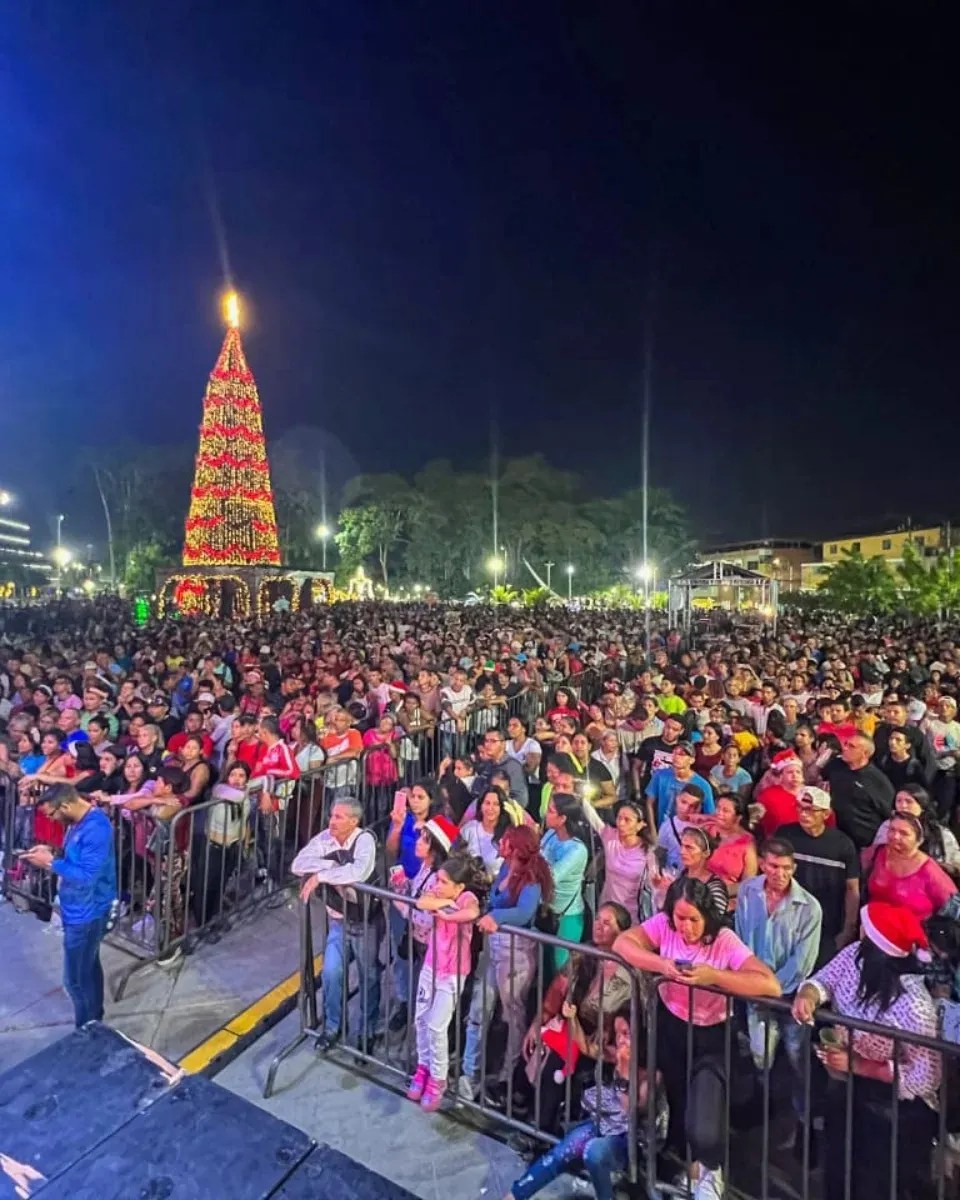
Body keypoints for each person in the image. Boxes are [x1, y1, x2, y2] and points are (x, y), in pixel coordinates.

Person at [615, 877, 781, 1200]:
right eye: (680, 918)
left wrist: (715, 977)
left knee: (704, 1121)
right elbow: (624, 943)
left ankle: (712, 1168)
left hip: (712, 1035)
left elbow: (769, 984)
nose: (687, 927)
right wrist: (662, 964)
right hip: (671, 1027)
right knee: (676, 1103)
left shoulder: (723, 940)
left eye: (694, 920)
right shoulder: (665, 926)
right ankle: (686, 1171)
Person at [791, 903, 941, 1200]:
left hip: (893, 1109)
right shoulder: (853, 955)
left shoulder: (915, 1007)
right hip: (850, 1091)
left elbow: (927, 1077)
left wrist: (862, 1065)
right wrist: (808, 995)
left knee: (874, 1184)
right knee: (837, 1169)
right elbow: (824, 980)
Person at [504, 1013, 667, 1200]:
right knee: (563, 1151)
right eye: (618, 1033)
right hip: (602, 1126)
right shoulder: (616, 1056)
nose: (621, 1039)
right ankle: (515, 1195)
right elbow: (585, 1046)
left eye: (626, 1033)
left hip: (628, 1141)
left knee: (593, 1152)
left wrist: (624, 1072)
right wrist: (572, 1017)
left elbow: (628, 1111)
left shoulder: (653, 1075)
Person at [516, 902, 633, 1131]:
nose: (598, 926)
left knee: (555, 1062)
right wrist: (538, 1022)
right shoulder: (583, 954)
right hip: (572, 1025)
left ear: (622, 932)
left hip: (603, 1043)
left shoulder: (629, 970)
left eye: (607, 923)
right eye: (597, 920)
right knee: (540, 1043)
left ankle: (541, 1129)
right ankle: (526, 1110)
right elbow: (557, 991)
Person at [461, 824, 554, 1101]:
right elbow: (497, 901)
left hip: (518, 952)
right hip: (496, 947)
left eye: (505, 841)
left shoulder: (532, 879)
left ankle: (509, 1075)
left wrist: (497, 918)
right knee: (480, 1007)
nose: (499, 843)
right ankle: (470, 1071)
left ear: (515, 847)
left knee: (513, 1014)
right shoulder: (505, 869)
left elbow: (524, 913)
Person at [735, 838, 822, 1132]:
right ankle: (763, 1107)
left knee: (799, 1059)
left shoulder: (810, 908)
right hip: (755, 992)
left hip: (789, 999)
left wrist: (767, 988)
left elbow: (802, 964)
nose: (780, 873)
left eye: (786, 867)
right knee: (761, 1054)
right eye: (773, 866)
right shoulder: (748, 891)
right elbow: (741, 939)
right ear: (762, 864)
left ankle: (805, 1124)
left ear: (794, 867)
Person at [20, 783, 117, 1027]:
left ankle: (86, 1027)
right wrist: (52, 851)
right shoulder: (76, 821)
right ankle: (95, 1020)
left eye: (52, 814)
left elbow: (86, 875)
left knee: (74, 980)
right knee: (89, 966)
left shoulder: (96, 828)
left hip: (88, 912)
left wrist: (51, 863)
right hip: (77, 907)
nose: (51, 820)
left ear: (65, 805)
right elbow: (75, 856)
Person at [292, 796, 382, 1054]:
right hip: (338, 920)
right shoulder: (325, 838)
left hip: (367, 921)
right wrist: (332, 865)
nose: (332, 821)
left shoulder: (364, 839)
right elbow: (298, 864)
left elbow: (359, 872)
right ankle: (332, 1027)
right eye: (332, 815)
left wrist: (320, 875)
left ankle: (367, 1032)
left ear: (354, 821)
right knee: (331, 973)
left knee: (369, 977)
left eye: (339, 817)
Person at [405, 852, 485, 1112]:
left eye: (443, 882)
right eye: (437, 880)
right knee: (420, 1019)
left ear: (459, 886)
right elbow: (422, 902)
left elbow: (471, 912)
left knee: (436, 1026)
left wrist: (449, 914)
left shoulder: (466, 897)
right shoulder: (438, 894)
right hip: (431, 964)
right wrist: (440, 904)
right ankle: (423, 1068)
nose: (437, 885)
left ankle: (438, 1079)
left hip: (453, 972)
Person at [777, 787, 860, 966]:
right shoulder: (785, 835)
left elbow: (852, 888)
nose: (803, 814)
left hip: (827, 926)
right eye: (800, 808)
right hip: (788, 921)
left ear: (826, 814)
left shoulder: (843, 845)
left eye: (811, 810)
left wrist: (847, 930)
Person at [863, 811, 956, 921]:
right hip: (874, 930)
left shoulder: (930, 870)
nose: (895, 836)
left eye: (903, 833)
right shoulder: (876, 853)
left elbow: (954, 909)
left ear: (919, 840)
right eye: (892, 830)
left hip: (913, 935)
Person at [863, 782, 960, 877]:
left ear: (922, 806)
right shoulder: (887, 826)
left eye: (909, 801)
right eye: (899, 801)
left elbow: (956, 865)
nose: (903, 806)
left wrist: (935, 867)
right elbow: (876, 857)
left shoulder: (940, 832)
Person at [541, 793, 590, 971]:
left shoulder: (577, 849)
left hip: (567, 916)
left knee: (561, 969)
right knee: (545, 965)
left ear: (563, 818)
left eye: (551, 811)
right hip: (547, 910)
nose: (546, 814)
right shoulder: (550, 835)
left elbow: (551, 877)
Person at [583, 800, 653, 923]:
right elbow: (594, 819)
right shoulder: (610, 837)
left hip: (631, 916)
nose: (621, 823)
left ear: (640, 825)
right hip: (607, 910)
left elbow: (653, 887)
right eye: (619, 818)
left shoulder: (647, 853)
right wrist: (583, 799)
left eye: (627, 820)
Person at [825, 733, 894, 850]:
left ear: (865, 753)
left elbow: (888, 814)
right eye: (845, 744)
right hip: (835, 836)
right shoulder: (835, 766)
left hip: (863, 844)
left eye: (851, 746)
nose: (844, 748)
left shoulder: (877, 781)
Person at [645, 741, 715, 834]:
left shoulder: (703, 785)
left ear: (692, 760)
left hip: (688, 834)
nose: (677, 757)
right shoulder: (660, 775)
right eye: (675, 752)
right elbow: (649, 803)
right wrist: (653, 831)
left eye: (682, 754)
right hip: (663, 830)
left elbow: (710, 815)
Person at [705, 792, 758, 910]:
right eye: (718, 808)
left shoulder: (747, 842)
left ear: (738, 817)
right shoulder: (707, 830)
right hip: (697, 893)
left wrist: (717, 892)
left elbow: (748, 882)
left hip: (726, 901)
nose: (719, 813)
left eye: (725, 811)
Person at [459, 785, 514, 879]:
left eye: (496, 804)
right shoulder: (470, 829)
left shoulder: (508, 834)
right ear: (481, 805)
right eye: (487, 803)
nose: (490, 808)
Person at [921, 694, 960, 822]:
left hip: (950, 771)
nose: (944, 708)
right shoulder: (930, 724)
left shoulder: (957, 728)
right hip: (930, 769)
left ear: (954, 710)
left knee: (945, 803)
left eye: (948, 706)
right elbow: (923, 743)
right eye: (941, 705)